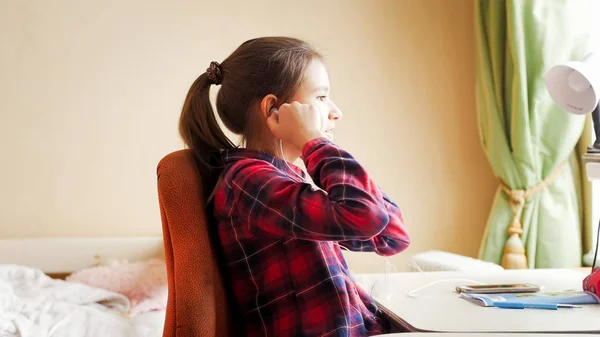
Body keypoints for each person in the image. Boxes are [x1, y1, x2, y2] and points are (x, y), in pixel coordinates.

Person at [178, 36, 410, 336]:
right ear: (274, 109)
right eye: (321, 97)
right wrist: (315, 143)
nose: (335, 111)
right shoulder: (249, 182)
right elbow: (366, 217)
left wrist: (317, 150)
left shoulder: (286, 179)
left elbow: (392, 237)